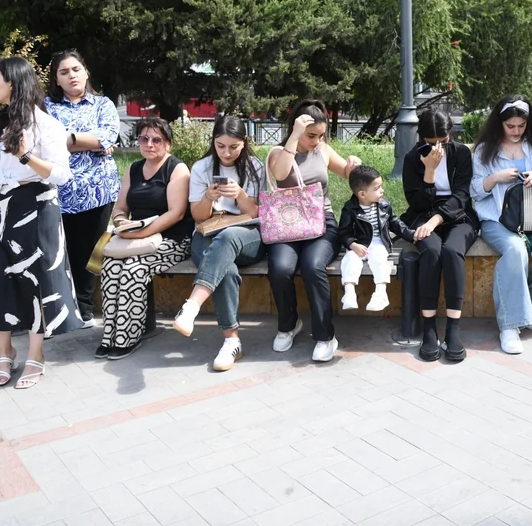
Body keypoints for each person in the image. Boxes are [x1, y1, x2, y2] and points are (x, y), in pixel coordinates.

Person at [0, 58, 80, 388]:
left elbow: (61, 174)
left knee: (36, 282)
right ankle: (5, 353)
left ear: (13, 83)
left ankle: (36, 354)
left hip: (36, 203)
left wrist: (26, 156)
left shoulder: (46, 124)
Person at [265, 98, 361, 363]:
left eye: (321, 135)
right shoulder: (278, 152)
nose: (317, 141)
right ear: (296, 130)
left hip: (322, 223)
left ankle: (325, 336)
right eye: (311, 136)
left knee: (312, 265)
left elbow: (349, 175)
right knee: (280, 268)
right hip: (287, 226)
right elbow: (281, 174)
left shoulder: (323, 150)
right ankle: (288, 324)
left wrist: (352, 164)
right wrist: (295, 137)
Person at [471, 95, 532, 355]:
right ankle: (509, 325)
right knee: (515, 250)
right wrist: (494, 178)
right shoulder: (485, 150)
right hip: (497, 220)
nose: (516, 131)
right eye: (510, 126)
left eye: (521, 126)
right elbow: (474, 191)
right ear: (499, 123)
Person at [172, 116, 264, 372]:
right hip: (208, 231)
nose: (226, 153)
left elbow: (256, 213)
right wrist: (207, 198)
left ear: (244, 142)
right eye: (220, 146)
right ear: (213, 142)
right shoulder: (202, 167)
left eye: (233, 147)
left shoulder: (255, 166)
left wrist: (240, 195)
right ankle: (232, 341)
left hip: (247, 234)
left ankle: (191, 306)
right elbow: (199, 216)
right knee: (227, 269)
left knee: (228, 237)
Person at [98, 117, 190, 360]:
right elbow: (120, 207)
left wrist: (140, 232)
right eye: (144, 138)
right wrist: (121, 222)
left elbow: (177, 213)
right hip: (135, 237)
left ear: (168, 144)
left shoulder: (177, 169)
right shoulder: (134, 169)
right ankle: (109, 336)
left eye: (157, 140)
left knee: (133, 270)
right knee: (110, 267)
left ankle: (127, 338)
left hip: (172, 239)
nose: (149, 144)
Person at [45, 50, 121, 326]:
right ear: (56, 79)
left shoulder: (103, 104)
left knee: (92, 250)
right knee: (62, 249)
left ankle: (86, 308)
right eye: (64, 72)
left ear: (86, 72)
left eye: (76, 69)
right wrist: (89, 142)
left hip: (98, 190)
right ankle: (63, 307)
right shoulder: (46, 107)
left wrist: (68, 139)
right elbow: (43, 142)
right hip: (58, 191)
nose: (72, 76)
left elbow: (107, 136)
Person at [400, 109, 479, 363]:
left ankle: (453, 329)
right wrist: (430, 172)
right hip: (422, 214)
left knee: (452, 251)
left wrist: (436, 220)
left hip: (458, 215)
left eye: (442, 142)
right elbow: (416, 203)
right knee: (432, 252)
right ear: (421, 137)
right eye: (430, 142)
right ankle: (429, 328)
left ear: (450, 134)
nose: (437, 148)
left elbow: (462, 195)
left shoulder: (462, 153)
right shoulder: (412, 158)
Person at [336, 166, 414, 313]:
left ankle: (380, 294)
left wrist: (411, 235)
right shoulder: (350, 208)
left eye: (381, 186)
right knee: (350, 260)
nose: (382, 191)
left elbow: (395, 223)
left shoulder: (384, 205)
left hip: (378, 243)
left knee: (379, 259)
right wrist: (353, 245)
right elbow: (344, 231)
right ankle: (349, 293)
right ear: (362, 194)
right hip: (359, 244)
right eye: (377, 188)